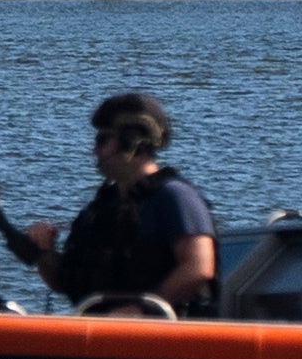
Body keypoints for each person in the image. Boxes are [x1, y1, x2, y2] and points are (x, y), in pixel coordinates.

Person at [53, 91, 219, 316]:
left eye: (102, 140)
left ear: (133, 141)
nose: (95, 151)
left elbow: (199, 266)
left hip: (163, 338)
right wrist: (43, 253)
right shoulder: (102, 208)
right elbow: (67, 283)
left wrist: (141, 310)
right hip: (102, 333)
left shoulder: (175, 197)